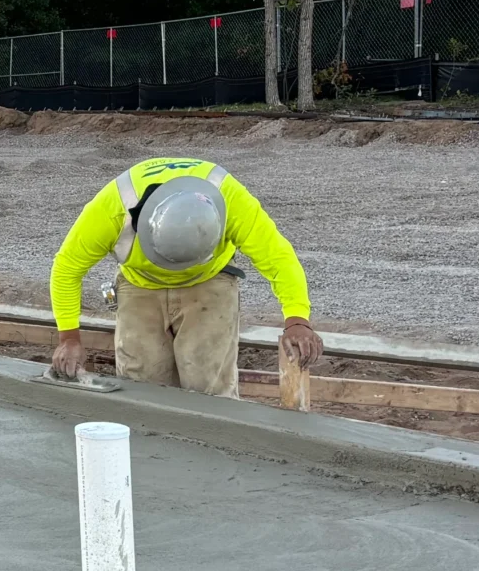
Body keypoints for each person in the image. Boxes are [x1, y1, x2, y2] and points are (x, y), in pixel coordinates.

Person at [48, 157, 320, 395]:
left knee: (209, 388)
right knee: (141, 387)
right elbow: (67, 267)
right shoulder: (112, 209)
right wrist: (69, 339)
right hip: (140, 284)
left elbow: (277, 256)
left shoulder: (231, 199)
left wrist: (297, 318)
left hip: (208, 282)